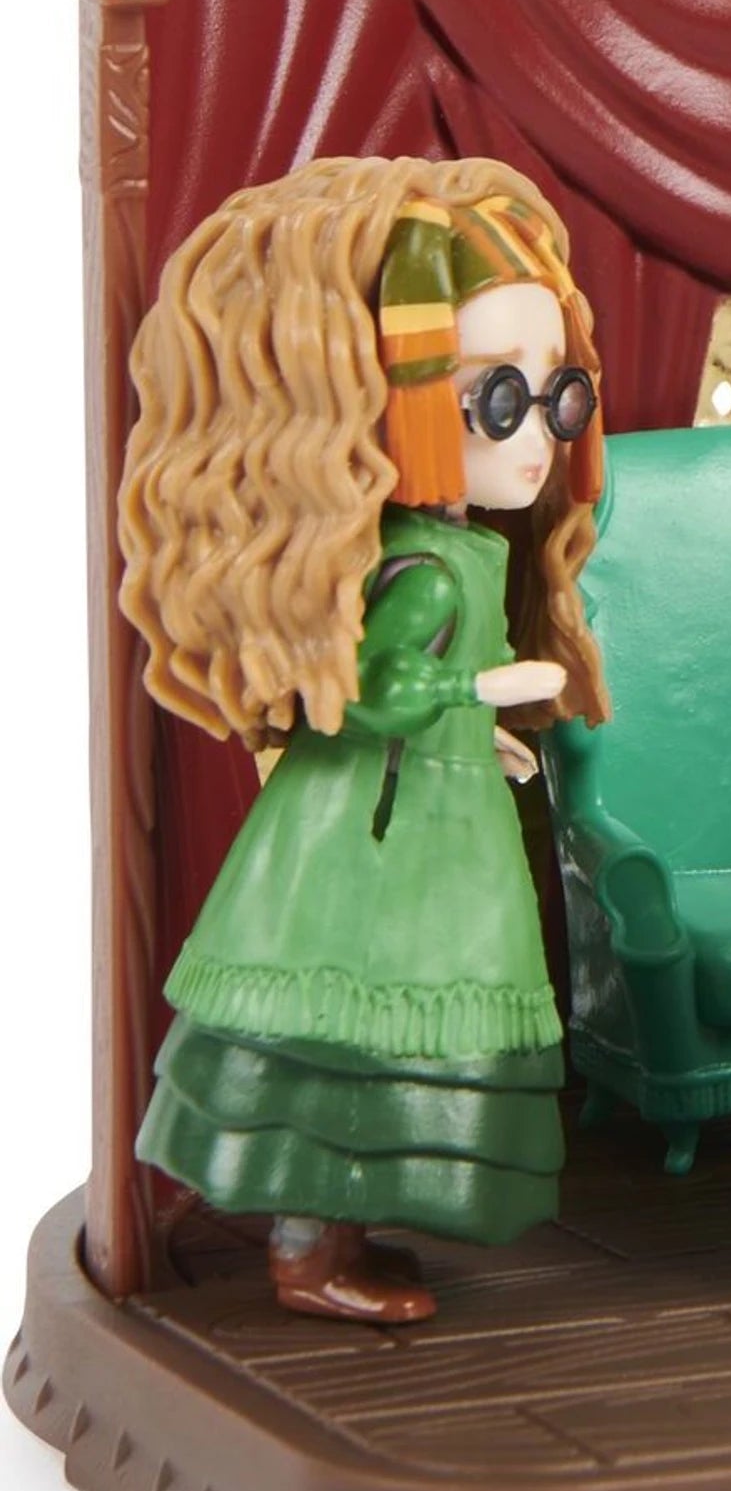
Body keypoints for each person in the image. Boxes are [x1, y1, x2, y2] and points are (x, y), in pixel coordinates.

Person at [118, 155, 611, 1320]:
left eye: (558, 397)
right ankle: (307, 1251)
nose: (536, 438)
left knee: (385, 1026)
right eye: (495, 398)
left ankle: (336, 1233)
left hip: (427, 809)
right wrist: (483, 688)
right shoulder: (423, 564)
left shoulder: (461, 546)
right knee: (343, 1024)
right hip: (371, 833)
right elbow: (374, 688)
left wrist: (482, 732)